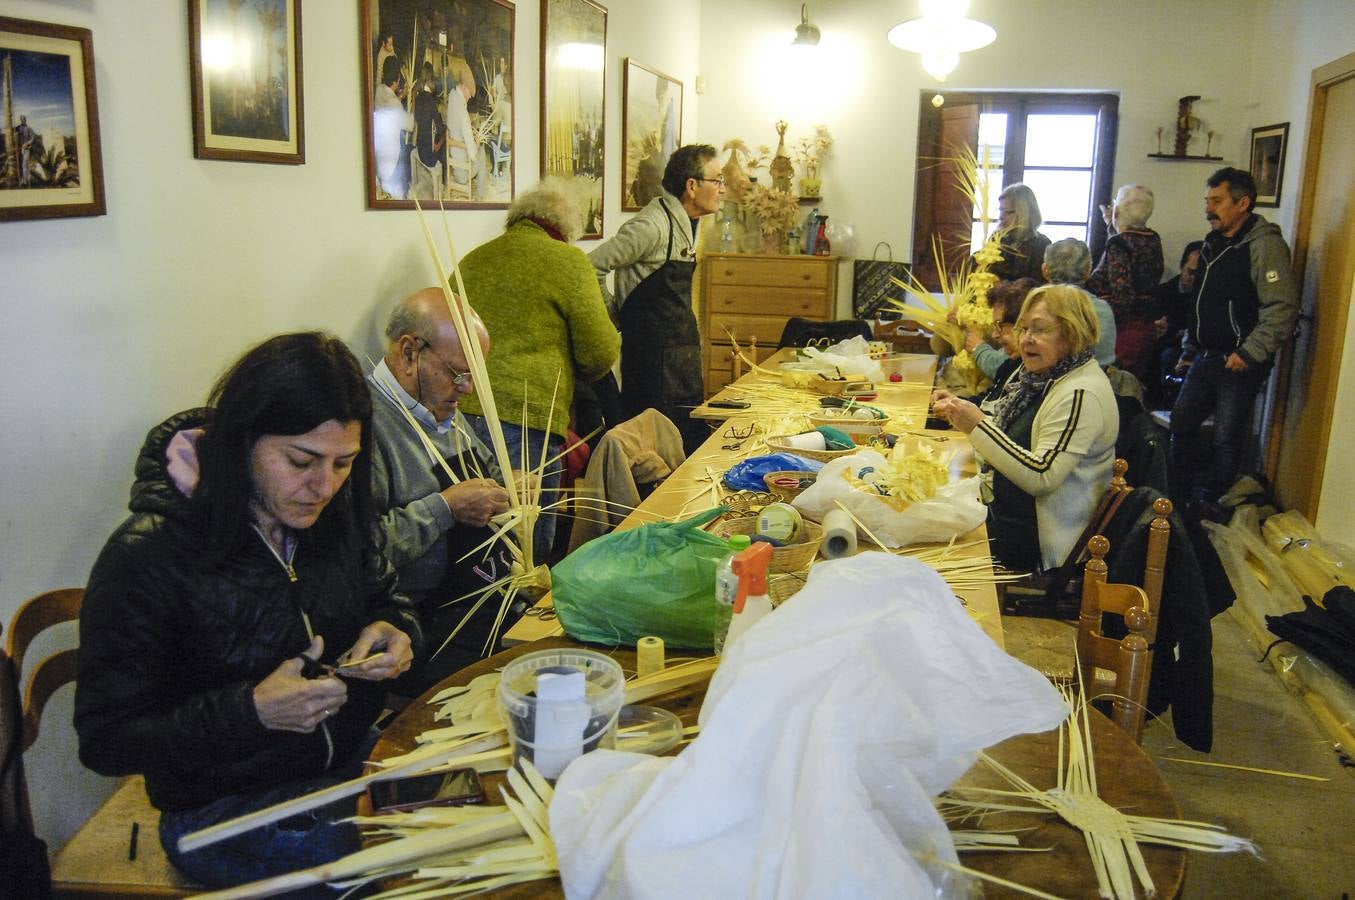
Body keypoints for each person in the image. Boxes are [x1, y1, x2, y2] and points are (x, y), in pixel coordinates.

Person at [75, 333, 420, 889]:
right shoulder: (147, 555)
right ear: (242, 439)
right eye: (300, 460)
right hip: (220, 811)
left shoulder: (332, 514)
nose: (323, 485)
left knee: (478, 802)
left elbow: (386, 599)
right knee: (416, 860)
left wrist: (394, 631)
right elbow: (107, 740)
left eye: (344, 463)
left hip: (348, 759)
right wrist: (250, 711)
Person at [367, 289, 521, 692]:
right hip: (422, 629)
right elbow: (364, 549)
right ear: (408, 353)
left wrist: (510, 486)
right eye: (458, 373)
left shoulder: (440, 406)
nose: (467, 388)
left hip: (484, 600)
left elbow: (485, 472)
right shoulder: (367, 427)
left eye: (474, 375)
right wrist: (447, 508)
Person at [458, 181, 620, 561]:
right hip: (525, 415)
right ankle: (524, 618)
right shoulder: (567, 261)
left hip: (460, 411)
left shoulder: (472, 259)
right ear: (567, 227)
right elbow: (600, 351)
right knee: (526, 543)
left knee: (479, 536)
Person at [933, 285, 1119, 573]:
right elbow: (998, 423)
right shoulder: (1040, 376)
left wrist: (976, 425)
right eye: (1023, 329)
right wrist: (964, 411)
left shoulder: (1081, 392)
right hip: (1007, 510)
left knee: (926, 546)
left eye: (1040, 330)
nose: (1026, 340)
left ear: (1072, 334)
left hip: (1040, 539)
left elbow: (1041, 475)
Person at [1170, 167, 1299, 512]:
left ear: (1242, 203)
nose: (1208, 209)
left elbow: (1282, 307)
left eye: (1217, 201)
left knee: (1227, 439)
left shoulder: (1265, 247)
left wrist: (1249, 352)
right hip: (1204, 355)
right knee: (1181, 424)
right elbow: (1201, 303)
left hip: (1238, 361)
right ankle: (1176, 499)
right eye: (1207, 201)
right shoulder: (1213, 242)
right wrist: (1189, 349)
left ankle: (1217, 506)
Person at [589, 143, 725, 454]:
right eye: (717, 180)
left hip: (681, 360)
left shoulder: (691, 224)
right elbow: (592, 265)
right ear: (691, 186)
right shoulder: (651, 226)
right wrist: (614, 313)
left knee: (685, 447)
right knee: (653, 454)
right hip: (651, 366)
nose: (722, 189)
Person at [1087, 184, 1165, 380]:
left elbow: (1123, 297)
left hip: (1123, 331)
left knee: (1116, 386)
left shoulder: (1118, 243)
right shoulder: (1152, 238)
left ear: (1119, 210)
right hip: (1146, 326)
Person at [1042, 238, 1118, 369]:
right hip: (1097, 384)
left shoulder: (1034, 307)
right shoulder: (1103, 310)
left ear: (1045, 270)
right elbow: (1106, 362)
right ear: (1089, 270)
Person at [1149, 241, 1203, 408]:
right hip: (1168, 349)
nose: (1194, 278)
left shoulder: (1206, 297)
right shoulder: (1163, 293)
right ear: (1181, 267)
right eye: (1191, 272)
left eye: (1200, 274)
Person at [989, 184, 1050, 282]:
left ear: (1024, 213)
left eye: (1008, 212)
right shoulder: (997, 239)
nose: (1000, 217)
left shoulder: (1042, 244)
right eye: (1000, 211)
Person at [374, 55, 412, 199]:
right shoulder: (395, 104)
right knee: (410, 148)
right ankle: (403, 194)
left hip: (378, 160)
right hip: (391, 167)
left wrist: (401, 96)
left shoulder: (378, 90)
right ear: (397, 79)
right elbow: (410, 125)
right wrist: (413, 100)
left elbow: (390, 101)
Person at [410, 62, 446, 200]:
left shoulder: (418, 98)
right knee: (444, 138)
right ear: (431, 80)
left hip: (420, 147)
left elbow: (418, 119)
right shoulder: (431, 102)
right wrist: (442, 137)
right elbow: (440, 128)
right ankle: (442, 185)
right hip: (429, 156)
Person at [445, 79, 478, 192]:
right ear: (464, 87)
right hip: (462, 173)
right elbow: (473, 154)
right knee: (481, 155)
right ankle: (481, 196)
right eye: (470, 94)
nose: (469, 97)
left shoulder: (452, 95)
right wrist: (477, 143)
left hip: (452, 160)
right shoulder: (463, 112)